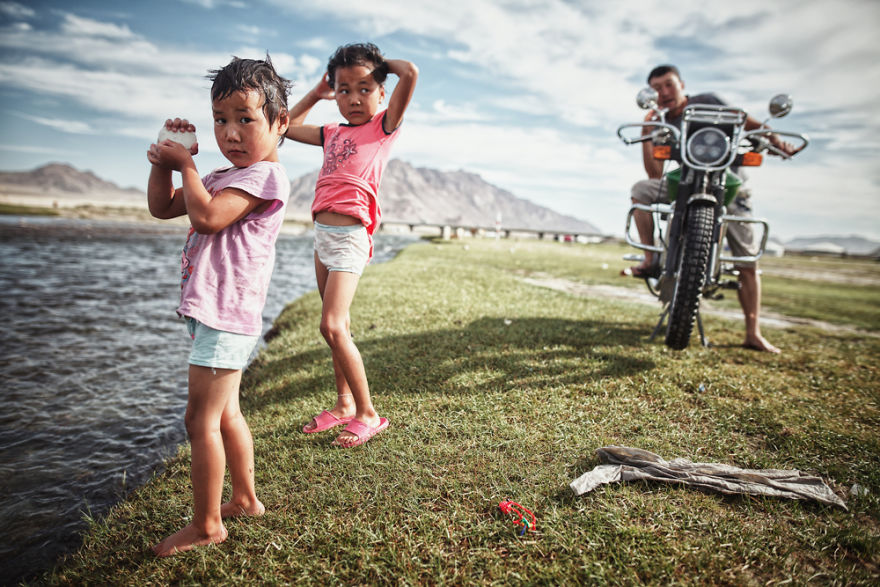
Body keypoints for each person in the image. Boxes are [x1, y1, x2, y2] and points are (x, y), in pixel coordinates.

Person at [145, 56, 291, 556]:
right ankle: (245, 500)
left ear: (280, 123)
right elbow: (163, 207)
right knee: (226, 413)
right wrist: (166, 165)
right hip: (215, 313)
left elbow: (206, 218)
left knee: (198, 421)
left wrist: (185, 166)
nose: (231, 132)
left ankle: (207, 526)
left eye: (245, 119)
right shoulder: (223, 173)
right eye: (221, 120)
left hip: (227, 316)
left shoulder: (264, 178)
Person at [284, 43, 418, 447]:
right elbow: (282, 127)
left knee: (333, 324)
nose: (354, 98)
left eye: (365, 88)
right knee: (331, 330)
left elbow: (409, 72)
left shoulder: (383, 128)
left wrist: (376, 68)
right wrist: (316, 92)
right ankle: (343, 405)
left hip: (350, 239)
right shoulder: (331, 133)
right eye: (344, 90)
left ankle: (368, 414)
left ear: (381, 92)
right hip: (322, 238)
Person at [624, 64, 796, 353]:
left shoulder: (709, 102)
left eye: (668, 85)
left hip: (730, 187)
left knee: (747, 260)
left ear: (681, 85)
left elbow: (748, 123)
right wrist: (648, 130)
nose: (663, 93)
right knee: (641, 190)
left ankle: (753, 332)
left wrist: (776, 140)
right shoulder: (661, 119)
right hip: (685, 185)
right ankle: (650, 258)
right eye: (657, 89)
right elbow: (655, 174)